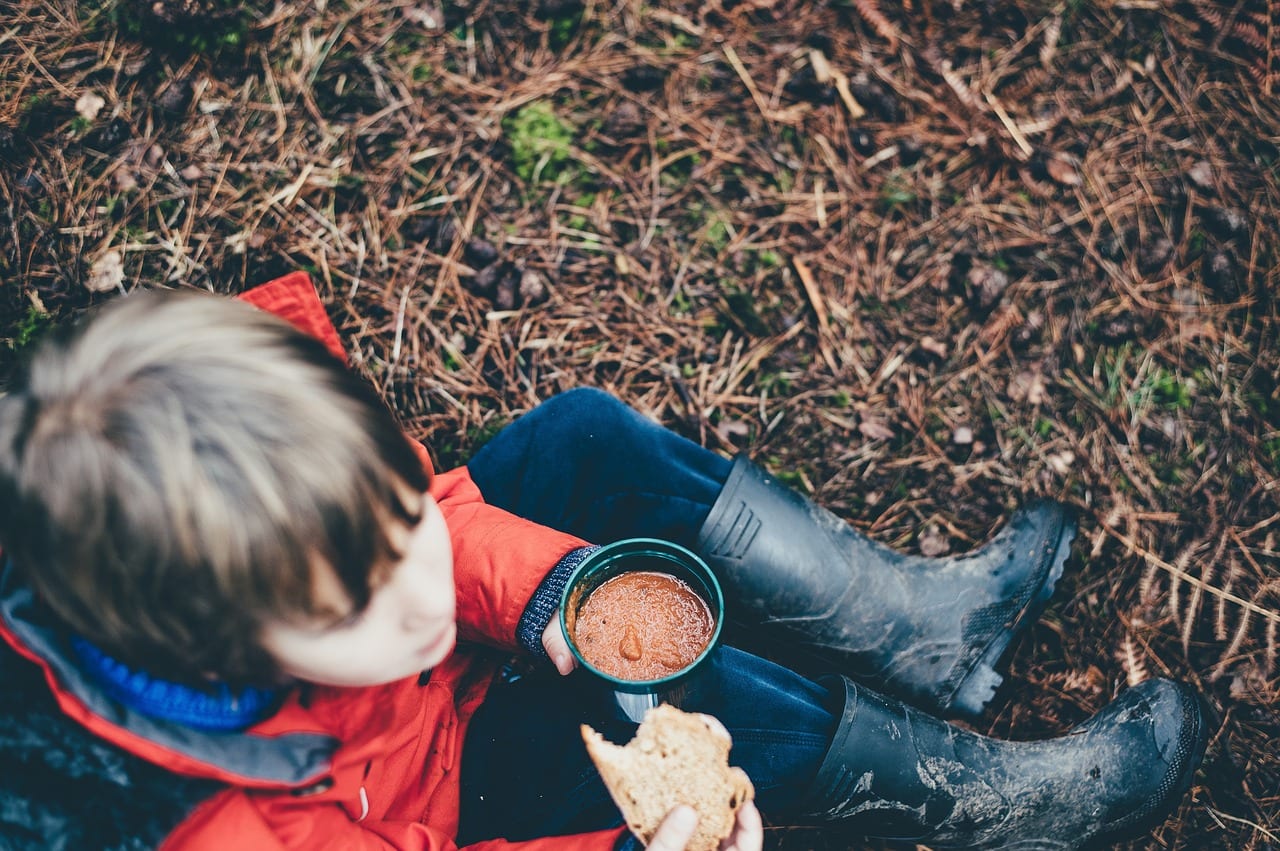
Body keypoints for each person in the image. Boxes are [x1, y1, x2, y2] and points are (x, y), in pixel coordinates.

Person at [0, 272, 1208, 851]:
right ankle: (991, 811)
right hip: (442, 809)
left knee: (579, 439)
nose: (420, 588)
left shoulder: (257, 466)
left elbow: (440, 510)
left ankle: (929, 629)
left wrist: (536, 598)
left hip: (436, 698)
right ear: (215, 648)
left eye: (396, 527)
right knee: (702, 710)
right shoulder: (213, 827)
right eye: (364, 596)